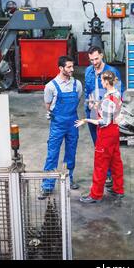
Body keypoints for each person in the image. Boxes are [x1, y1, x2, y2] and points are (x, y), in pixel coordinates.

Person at [75, 71, 124, 204]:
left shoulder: (108, 99)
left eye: (102, 81)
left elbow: (103, 122)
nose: (101, 83)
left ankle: (95, 195)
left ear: (106, 82)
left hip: (106, 135)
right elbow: (111, 112)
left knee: (100, 165)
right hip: (114, 132)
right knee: (115, 162)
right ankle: (118, 189)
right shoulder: (116, 94)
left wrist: (86, 120)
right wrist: (96, 105)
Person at [39, 56, 83, 200]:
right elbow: (48, 105)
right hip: (57, 123)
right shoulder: (50, 86)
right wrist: (55, 115)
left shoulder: (77, 84)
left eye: (72, 67)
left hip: (72, 122)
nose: (72, 69)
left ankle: (69, 179)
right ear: (61, 68)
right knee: (52, 154)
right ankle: (47, 186)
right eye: (69, 67)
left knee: (71, 152)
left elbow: (78, 99)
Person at [84, 46, 124, 188]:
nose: (94, 62)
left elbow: (119, 93)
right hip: (93, 113)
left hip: (107, 115)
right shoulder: (88, 71)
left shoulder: (112, 72)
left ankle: (108, 176)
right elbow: (87, 91)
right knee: (98, 146)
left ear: (102, 56)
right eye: (91, 60)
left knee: (107, 149)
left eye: (96, 59)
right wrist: (89, 105)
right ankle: (107, 174)